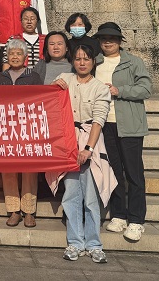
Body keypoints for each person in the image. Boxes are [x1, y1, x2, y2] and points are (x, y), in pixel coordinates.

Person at [51, 45, 112, 263]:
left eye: (86, 59)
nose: (82, 63)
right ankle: (75, 242)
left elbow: (98, 121)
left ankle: (94, 244)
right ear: (72, 62)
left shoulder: (100, 88)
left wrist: (88, 149)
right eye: (78, 59)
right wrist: (53, 87)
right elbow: (49, 101)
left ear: (93, 62)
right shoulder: (64, 79)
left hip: (90, 142)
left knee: (91, 198)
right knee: (71, 194)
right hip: (67, 143)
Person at [95, 22, 152, 242]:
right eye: (103, 38)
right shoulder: (95, 62)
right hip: (105, 124)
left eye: (112, 38)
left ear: (119, 41)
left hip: (129, 124)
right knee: (114, 171)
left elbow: (146, 88)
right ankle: (119, 214)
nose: (107, 42)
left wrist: (120, 90)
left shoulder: (133, 62)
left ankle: (136, 220)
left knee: (133, 173)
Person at [0, 39, 42, 228]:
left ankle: (29, 211)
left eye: (18, 53)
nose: (14, 56)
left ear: (25, 57)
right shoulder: (2, 77)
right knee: (8, 169)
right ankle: (14, 210)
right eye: (11, 53)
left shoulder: (34, 76)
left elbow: (40, 101)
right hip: (6, 128)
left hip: (28, 128)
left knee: (29, 169)